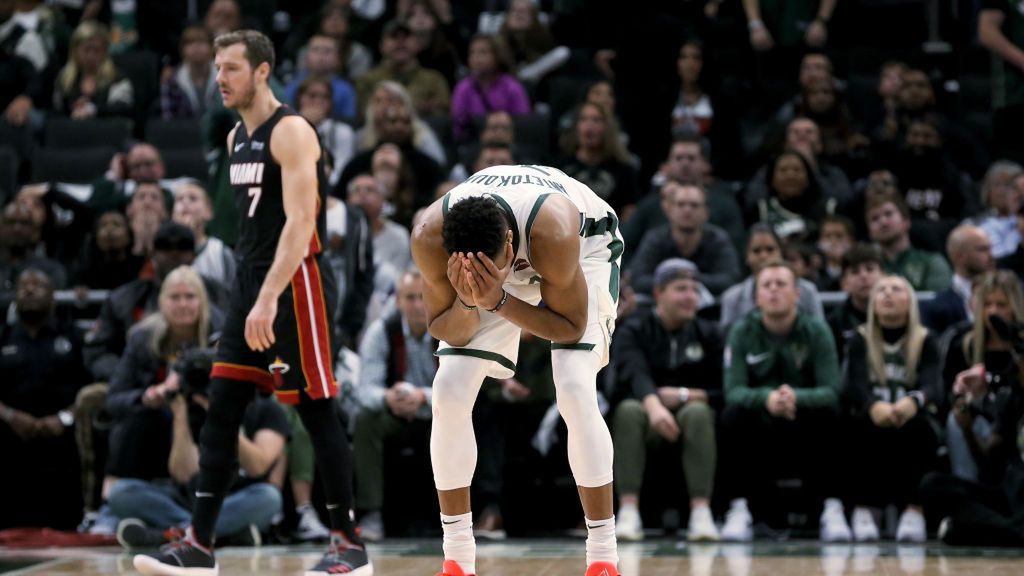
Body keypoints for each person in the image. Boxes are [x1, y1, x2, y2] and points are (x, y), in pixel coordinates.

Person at [132, 30, 371, 576]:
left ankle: (348, 544)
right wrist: (249, 295)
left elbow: (301, 222)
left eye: (231, 68)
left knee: (316, 407)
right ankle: (199, 544)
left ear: (262, 71)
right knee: (222, 407)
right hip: (252, 285)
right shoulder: (237, 137)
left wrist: (267, 299)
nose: (220, 78)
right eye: (216, 68)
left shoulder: (291, 132)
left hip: (296, 287)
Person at [411, 164, 623, 576]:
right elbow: (443, 327)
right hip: (506, 250)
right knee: (449, 389)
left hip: (586, 248)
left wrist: (498, 301)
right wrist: (471, 299)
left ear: (509, 245)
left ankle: (603, 556)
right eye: (468, 271)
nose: (476, 277)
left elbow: (569, 325)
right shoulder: (429, 236)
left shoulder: (554, 232)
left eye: (486, 269)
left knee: (575, 386)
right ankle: (456, 556)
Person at [719, 260, 851, 542]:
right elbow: (734, 390)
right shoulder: (742, 332)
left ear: (797, 295)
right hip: (762, 421)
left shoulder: (817, 330)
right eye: (767, 285)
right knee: (733, 414)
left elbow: (831, 389)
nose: (774, 291)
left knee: (833, 412)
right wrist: (766, 399)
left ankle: (831, 508)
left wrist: (796, 397)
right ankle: (740, 508)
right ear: (757, 297)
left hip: (803, 420)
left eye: (781, 285)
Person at [610, 259, 722, 542]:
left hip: (690, 421)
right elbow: (633, 374)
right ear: (659, 294)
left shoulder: (709, 334)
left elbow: (724, 390)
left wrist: (685, 395)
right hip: (645, 418)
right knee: (628, 411)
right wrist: (655, 406)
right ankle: (628, 512)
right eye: (681, 289)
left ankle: (701, 514)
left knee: (698, 411)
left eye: (694, 290)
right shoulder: (635, 330)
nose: (690, 297)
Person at [843, 275, 942, 542]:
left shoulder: (925, 339)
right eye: (881, 290)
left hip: (910, 418)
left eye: (896, 289)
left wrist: (913, 401)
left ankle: (914, 510)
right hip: (873, 417)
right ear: (873, 302)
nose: (887, 294)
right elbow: (854, 385)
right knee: (857, 427)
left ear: (910, 300)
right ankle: (863, 510)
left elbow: (933, 385)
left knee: (920, 429)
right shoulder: (859, 339)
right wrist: (872, 405)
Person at [0, 269, 89, 530]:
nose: (29, 290)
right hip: (9, 438)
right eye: (24, 286)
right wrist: (9, 416)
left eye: (38, 285)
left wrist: (63, 418)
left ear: (52, 297)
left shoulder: (72, 337)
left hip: (61, 438)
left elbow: (91, 389)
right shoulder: (3, 336)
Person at [353, 269, 437, 541]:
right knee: (365, 419)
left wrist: (423, 397)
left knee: (475, 414)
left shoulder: (448, 329)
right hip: (396, 413)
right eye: (410, 298)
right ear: (398, 301)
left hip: (438, 414)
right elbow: (364, 389)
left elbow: (465, 389)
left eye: (423, 297)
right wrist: (388, 398)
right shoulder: (381, 331)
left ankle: (463, 513)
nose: (417, 305)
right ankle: (371, 513)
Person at [921, 225, 994, 334]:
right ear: (959, 256)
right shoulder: (937, 308)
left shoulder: (1007, 294)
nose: (991, 255)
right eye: (982, 249)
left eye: (990, 248)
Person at [827, 243, 884, 362]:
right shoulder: (834, 322)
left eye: (870, 269)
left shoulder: (898, 315)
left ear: (884, 276)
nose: (863, 276)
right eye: (855, 272)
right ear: (844, 284)